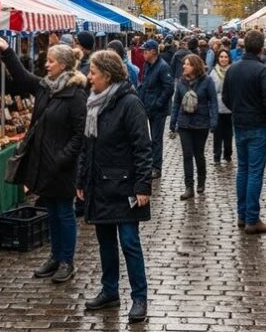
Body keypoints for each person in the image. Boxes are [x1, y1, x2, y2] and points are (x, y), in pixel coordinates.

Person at [0, 35, 87, 284]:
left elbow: (79, 135)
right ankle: (55, 257)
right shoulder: (46, 87)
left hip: (62, 166)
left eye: (51, 61)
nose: (46, 64)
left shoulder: (76, 95)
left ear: (63, 65)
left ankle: (67, 261)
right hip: (43, 162)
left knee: (64, 212)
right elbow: (22, 78)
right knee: (51, 211)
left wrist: (62, 159)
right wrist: (8, 51)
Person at [77, 50, 153, 324]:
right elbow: (87, 144)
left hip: (125, 186)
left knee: (130, 242)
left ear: (107, 76)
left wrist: (143, 185)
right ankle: (110, 291)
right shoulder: (94, 102)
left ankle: (139, 297)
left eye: (93, 73)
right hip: (100, 184)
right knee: (105, 241)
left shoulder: (130, 103)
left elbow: (143, 147)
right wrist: (82, 179)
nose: (89, 78)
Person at [221, 30, 266, 235]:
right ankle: (252, 218)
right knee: (254, 172)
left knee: (243, 170)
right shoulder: (262, 70)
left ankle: (242, 215)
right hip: (257, 126)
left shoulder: (233, 69)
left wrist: (237, 110)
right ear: (261, 47)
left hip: (240, 124)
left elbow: (226, 98)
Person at [170, 54, 218, 200]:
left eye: (187, 64)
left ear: (195, 66)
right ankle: (189, 187)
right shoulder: (181, 82)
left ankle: (201, 181)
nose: (184, 66)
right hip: (184, 123)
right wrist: (173, 122)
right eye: (184, 64)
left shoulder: (207, 81)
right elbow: (176, 103)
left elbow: (213, 102)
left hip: (201, 123)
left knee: (199, 154)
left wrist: (213, 121)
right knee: (187, 155)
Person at [137, 39, 173, 180]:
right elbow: (145, 84)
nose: (143, 54)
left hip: (158, 110)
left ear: (153, 52)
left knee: (157, 140)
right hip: (147, 107)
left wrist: (158, 103)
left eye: (145, 51)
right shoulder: (147, 65)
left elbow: (169, 88)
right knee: (149, 139)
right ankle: (150, 164)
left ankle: (156, 167)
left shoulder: (163, 67)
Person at [210, 49, 234, 163]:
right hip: (217, 107)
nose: (223, 59)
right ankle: (217, 154)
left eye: (225, 57)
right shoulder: (213, 72)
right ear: (218, 58)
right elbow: (211, 91)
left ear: (229, 58)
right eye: (221, 57)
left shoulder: (233, 71)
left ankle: (228, 153)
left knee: (229, 133)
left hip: (230, 107)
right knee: (217, 132)